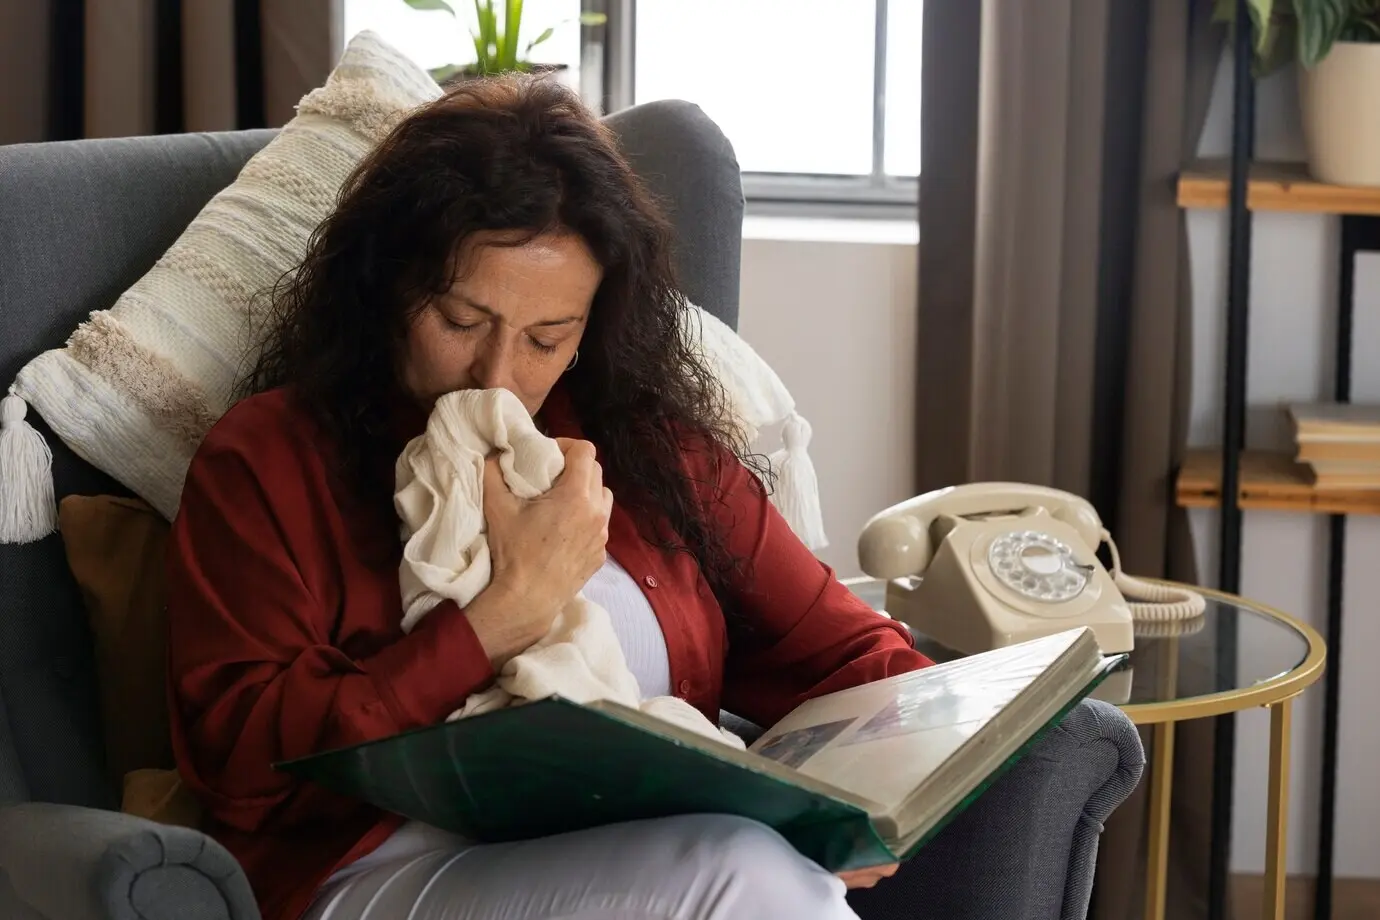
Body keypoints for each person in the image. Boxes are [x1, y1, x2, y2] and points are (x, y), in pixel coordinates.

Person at [166, 74, 934, 920]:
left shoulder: (648, 451)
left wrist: (856, 798)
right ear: (389, 287)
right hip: (378, 862)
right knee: (746, 873)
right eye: (460, 321)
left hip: (641, 846)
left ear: (590, 330)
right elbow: (243, 768)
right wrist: (504, 614)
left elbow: (857, 655)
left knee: (761, 861)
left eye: (545, 339)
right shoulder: (269, 455)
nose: (496, 375)